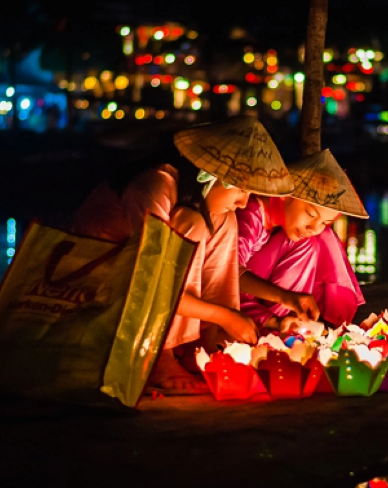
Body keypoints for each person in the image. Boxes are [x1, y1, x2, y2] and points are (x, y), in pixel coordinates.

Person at [71, 115, 294, 392]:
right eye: (240, 189)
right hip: (95, 283)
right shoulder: (156, 184)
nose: (242, 202)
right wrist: (226, 317)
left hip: (138, 284)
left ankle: (199, 347)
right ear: (208, 175)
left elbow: (219, 272)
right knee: (195, 224)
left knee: (224, 220)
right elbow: (152, 280)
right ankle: (158, 356)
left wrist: (274, 300)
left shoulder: (203, 205)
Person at [237, 149, 368, 334]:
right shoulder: (251, 213)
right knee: (302, 242)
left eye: (324, 222)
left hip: (252, 298)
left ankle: (288, 322)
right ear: (286, 194)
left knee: (311, 240)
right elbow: (229, 272)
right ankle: (278, 325)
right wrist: (285, 297)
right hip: (230, 297)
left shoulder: (283, 227)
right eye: (311, 214)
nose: (314, 227)